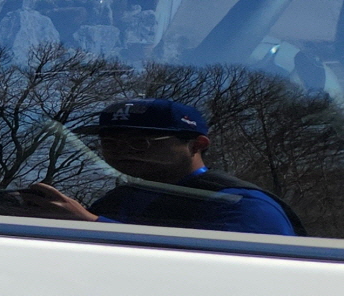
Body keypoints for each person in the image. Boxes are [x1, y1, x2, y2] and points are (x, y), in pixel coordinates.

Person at [15, 99, 305, 236]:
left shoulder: (243, 205)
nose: (121, 151)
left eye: (140, 142)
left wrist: (92, 225)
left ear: (197, 145)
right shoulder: (121, 198)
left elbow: (226, 280)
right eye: (109, 142)